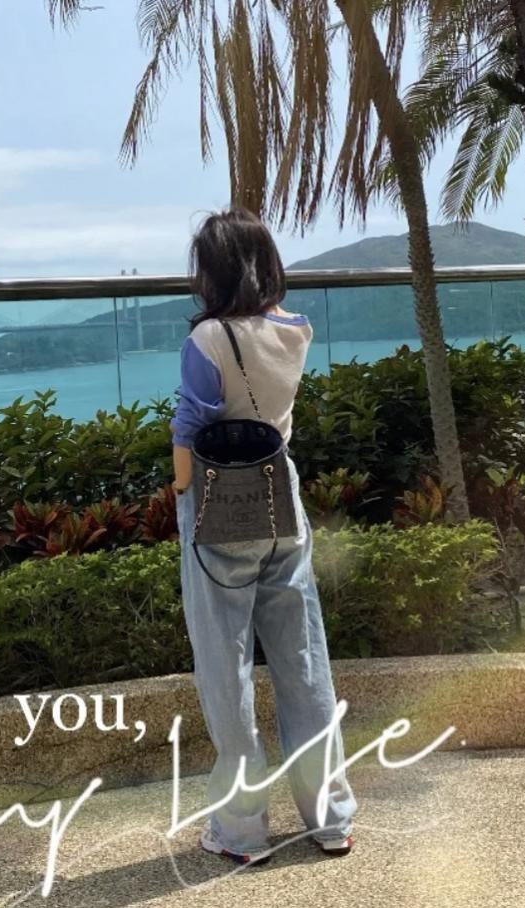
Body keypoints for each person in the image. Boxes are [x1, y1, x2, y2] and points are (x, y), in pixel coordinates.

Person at [169, 206, 357, 866]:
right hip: (282, 498)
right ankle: (330, 819)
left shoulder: (209, 338)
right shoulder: (296, 330)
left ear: (213, 271)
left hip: (219, 505)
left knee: (226, 669)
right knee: (303, 660)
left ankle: (242, 830)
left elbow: (189, 425)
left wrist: (181, 492)